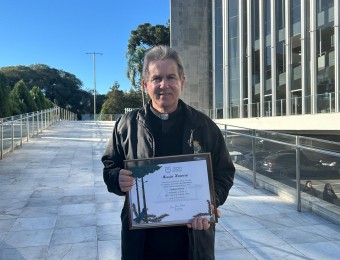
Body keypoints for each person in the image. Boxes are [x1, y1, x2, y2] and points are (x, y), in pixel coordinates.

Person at [102, 45, 235, 260]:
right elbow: (110, 167)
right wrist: (117, 178)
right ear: (146, 85)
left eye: (171, 77)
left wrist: (211, 201)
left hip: (193, 242)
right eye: (157, 78)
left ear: (182, 81)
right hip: (141, 244)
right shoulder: (125, 126)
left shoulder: (204, 126)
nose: (164, 85)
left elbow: (224, 173)